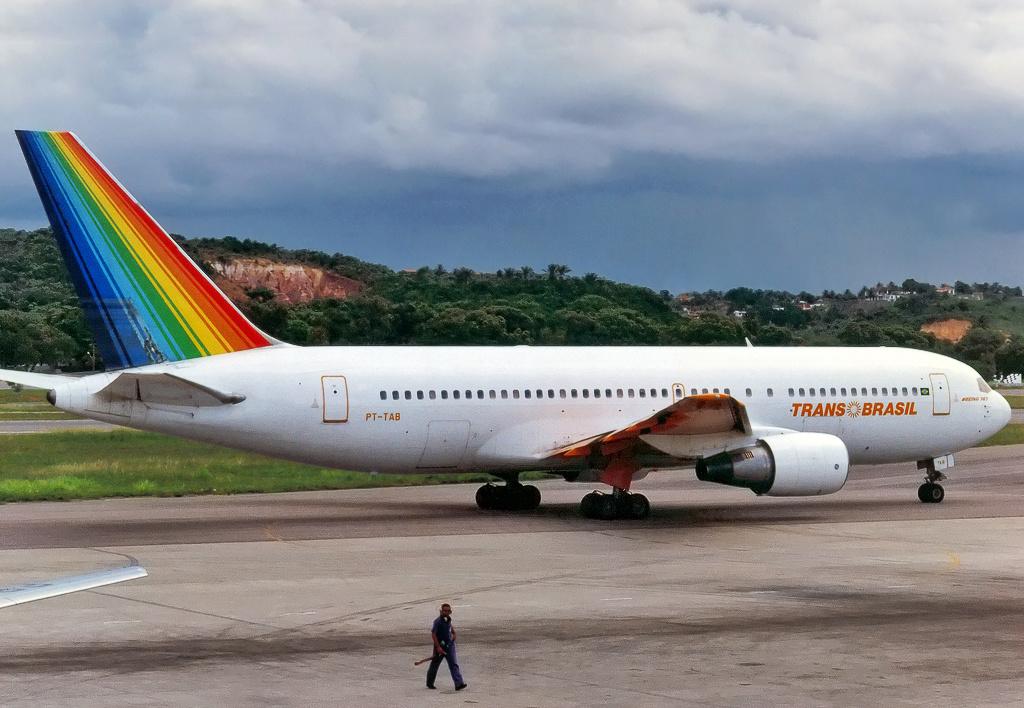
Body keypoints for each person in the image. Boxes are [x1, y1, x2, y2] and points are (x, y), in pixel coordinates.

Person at [426, 603, 467, 690]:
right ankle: (430, 683)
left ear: (450, 612)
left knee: (454, 664)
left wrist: (454, 633)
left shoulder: (448, 620)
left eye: (448, 611)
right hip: (440, 646)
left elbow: (450, 627)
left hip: (449, 646)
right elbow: (433, 634)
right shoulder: (437, 621)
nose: (446, 612)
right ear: (441, 611)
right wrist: (438, 647)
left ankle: (459, 684)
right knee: (435, 665)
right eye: (445, 611)